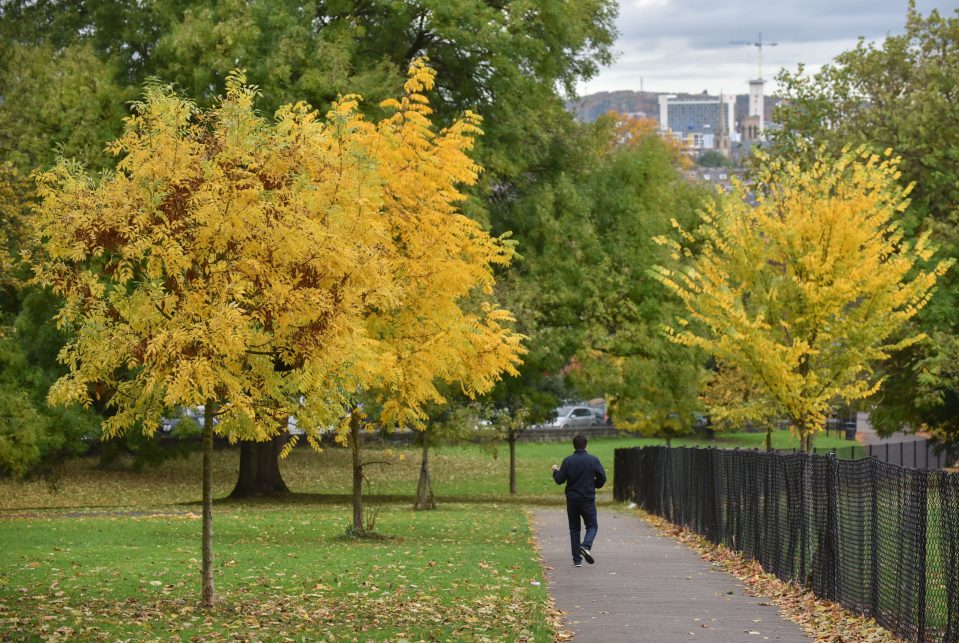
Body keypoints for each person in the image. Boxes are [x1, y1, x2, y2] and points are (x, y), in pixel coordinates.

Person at [551, 433, 606, 567]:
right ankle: (585, 546)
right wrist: (595, 484)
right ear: (586, 445)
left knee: (574, 529)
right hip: (587, 499)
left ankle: (577, 560)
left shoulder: (568, 461)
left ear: (574, 445)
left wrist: (555, 471)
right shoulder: (593, 460)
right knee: (592, 526)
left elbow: (559, 480)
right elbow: (602, 478)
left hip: (572, 500)